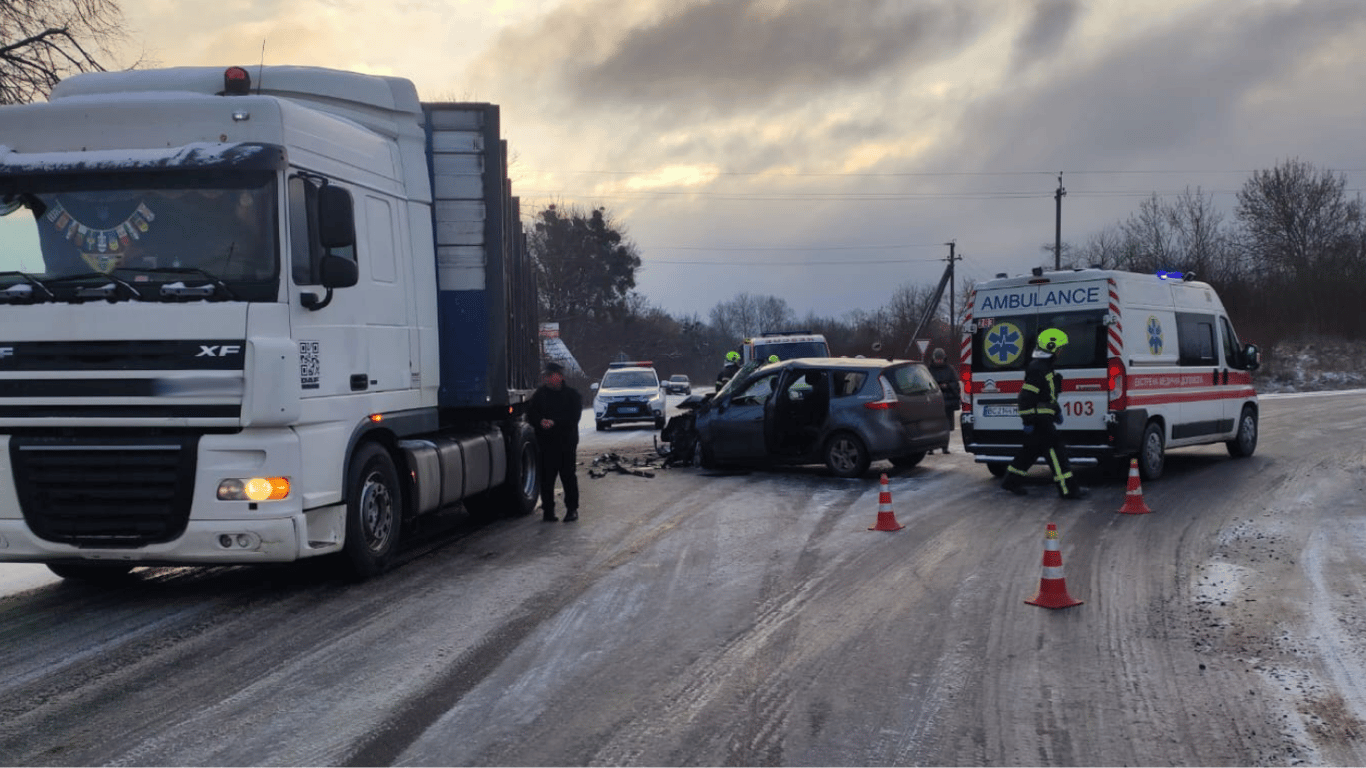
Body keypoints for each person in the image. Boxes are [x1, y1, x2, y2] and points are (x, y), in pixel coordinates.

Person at [1001, 329, 1089, 500]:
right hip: (1039, 421)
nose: (1061, 351)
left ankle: (1011, 481)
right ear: (1052, 347)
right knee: (1057, 453)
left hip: (1042, 419)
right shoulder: (1037, 369)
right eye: (1060, 347)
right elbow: (1025, 398)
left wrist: (1056, 411)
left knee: (1030, 451)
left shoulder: (1045, 367)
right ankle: (1068, 490)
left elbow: (1046, 396)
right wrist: (1028, 420)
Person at [527, 362, 583, 521]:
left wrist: (555, 423)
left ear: (559, 376)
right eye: (546, 376)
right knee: (547, 478)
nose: (547, 379)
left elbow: (574, 418)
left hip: (566, 443)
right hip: (546, 444)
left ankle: (572, 509)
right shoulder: (540, 395)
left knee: (568, 477)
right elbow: (531, 414)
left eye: (550, 375)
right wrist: (540, 422)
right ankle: (548, 510)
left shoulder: (572, 395)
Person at [928, 348, 960, 454]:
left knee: (946, 426)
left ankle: (944, 447)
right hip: (933, 401)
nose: (939, 361)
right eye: (937, 359)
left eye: (940, 359)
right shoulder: (929, 370)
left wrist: (947, 386)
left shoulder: (950, 369)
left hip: (948, 402)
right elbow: (925, 383)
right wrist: (935, 386)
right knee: (932, 426)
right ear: (934, 359)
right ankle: (931, 448)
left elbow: (956, 383)